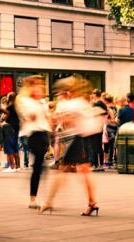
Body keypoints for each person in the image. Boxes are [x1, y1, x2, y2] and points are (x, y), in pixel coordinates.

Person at [40, 75, 100, 216]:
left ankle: (49, 202)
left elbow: (66, 122)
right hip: (80, 139)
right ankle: (92, 203)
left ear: (67, 92)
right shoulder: (79, 102)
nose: (59, 95)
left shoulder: (73, 104)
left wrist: (54, 116)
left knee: (67, 170)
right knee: (81, 171)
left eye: (60, 92)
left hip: (76, 139)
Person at [16, 75, 52, 208]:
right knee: (38, 166)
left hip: (43, 134)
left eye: (42, 85)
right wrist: (35, 112)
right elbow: (29, 117)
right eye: (38, 85)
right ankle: (33, 198)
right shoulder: (25, 101)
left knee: (40, 167)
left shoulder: (40, 102)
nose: (41, 87)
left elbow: (47, 119)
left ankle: (36, 196)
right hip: (33, 135)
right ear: (31, 87)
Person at [2, 92, 20, 172]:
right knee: (15, 147)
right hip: (17, 128)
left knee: (9, 147)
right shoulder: (18, 107)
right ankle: (18, 166)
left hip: (9, 128)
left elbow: (4, 118)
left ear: (9, 98)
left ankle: (12, 167)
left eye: (7, 96)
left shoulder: (9, 107)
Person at [91, 90, 107, 171]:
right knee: (99, 146)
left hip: (95, 126)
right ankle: (101, 164)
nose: (92, 95)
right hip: (100, 126)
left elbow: (92, 114)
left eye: (93, 94)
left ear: (95, 95)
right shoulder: (103, 104)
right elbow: (106, 114)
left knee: (94, 146)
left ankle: (96, 165)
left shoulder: (96, 104)